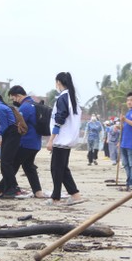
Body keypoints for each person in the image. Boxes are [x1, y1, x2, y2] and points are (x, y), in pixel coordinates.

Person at [46, 72, 84, 205]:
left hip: (62, 139)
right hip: (68, 139)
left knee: (56, 168)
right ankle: (75, 194)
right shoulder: (71, 97)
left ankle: (55, 197)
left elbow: (60, 118)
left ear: (58, 82)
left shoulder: (63, 97)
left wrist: (51, 139)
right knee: (61, 168)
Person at [8, 85, 45, 198]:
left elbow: (18, 124)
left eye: (13, 99)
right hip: (36, 143)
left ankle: (2, 188)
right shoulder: (34, 104)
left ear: (18, 96)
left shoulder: (25, 107)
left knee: (13, 165)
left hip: (26, 143)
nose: (14, 101)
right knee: (28, 166)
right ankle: (38, 192)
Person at [0, 85, 22, 198]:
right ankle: (7, 188)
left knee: (6, 163)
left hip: (12, 134)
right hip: (9, 134)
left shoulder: (0, 108)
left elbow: (6, 125)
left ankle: (13, 188)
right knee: (5, 163)